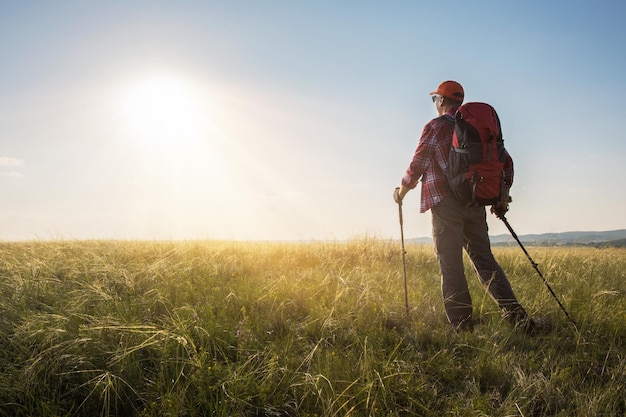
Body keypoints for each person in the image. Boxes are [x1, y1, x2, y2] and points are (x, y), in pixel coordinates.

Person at [393, 80, 535, 333]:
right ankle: (518, 318)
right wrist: (502, 197)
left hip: (445, 204)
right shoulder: (476, 127)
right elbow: (506, 162)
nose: (434, 103)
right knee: (485, 261)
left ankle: (462, 326)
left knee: (451, 264)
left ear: (440, 100)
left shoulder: (435, 127)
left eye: (434, 98)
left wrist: (401, 192)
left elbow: (417, 165)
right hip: (474, 201)